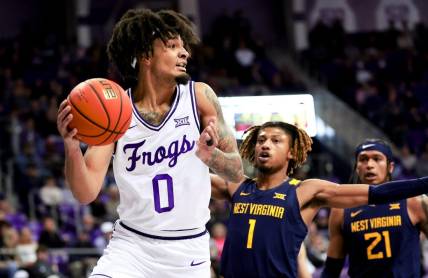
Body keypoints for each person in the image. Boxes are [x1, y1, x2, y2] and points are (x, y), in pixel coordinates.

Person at [56, 8, 243, 278]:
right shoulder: (116, 112)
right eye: (172, 46)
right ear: (145, 55)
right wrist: (72, 148)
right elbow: (85, 194)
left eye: (184, 47)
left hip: (188, 251)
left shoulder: (200, 97)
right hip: (132, 247)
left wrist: (210, 156)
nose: (184, 53)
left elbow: (236, 170)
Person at [209, 121, 428, 277]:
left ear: (292, 153)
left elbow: (377, 193)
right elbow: (185, 180)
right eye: (261, 140)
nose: (265, 145)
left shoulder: (306, 190)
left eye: (276, 141)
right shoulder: (235, 185)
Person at [321, 139, 428, 278]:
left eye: (377, 159)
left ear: (390, 167)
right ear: (356, 167)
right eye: (363, 159)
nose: (369, 165)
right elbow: (332, 269)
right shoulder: (341, 210)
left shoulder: (415, 202)